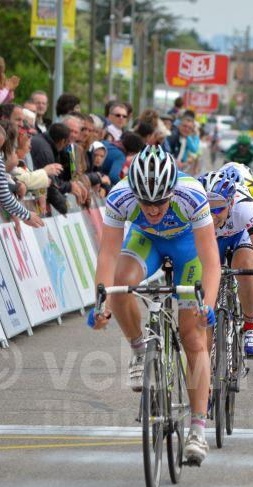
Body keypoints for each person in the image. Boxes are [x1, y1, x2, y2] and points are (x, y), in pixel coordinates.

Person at [89, 145, 220, 466]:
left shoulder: (191, 194)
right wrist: (100, 302)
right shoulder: (120, 196)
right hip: (145, 241)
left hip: (187, 249)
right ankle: (139, 349)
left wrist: (210, 304)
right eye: (146, 202)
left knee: (192, 336)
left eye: (160, 201)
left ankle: (198, 429)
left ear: (171, 191)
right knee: (120, 284)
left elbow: (211, 260)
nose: (153, 209)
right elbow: (107, 254)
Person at [199, 171, 253, 357]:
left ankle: (251, 327)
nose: (213, 216)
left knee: (246, 269)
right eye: (207, 210)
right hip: (209, 237)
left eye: (218, 209)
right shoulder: (194, 207)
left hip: (240, 235)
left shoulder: (245, 208)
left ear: (231, 203)